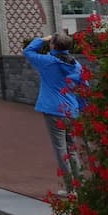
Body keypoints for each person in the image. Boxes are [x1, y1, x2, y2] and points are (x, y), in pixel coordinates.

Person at [23, 32, 85, 194]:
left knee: (61, 150)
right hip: (71, 110)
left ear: (54, 46)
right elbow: (84, 85)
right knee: (72, 148)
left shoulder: (48, 62)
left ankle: (70, 189)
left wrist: (42, 39)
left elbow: (28, 51)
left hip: (54, 110)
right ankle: (80, 186)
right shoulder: (76, 64)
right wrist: (82, 107)